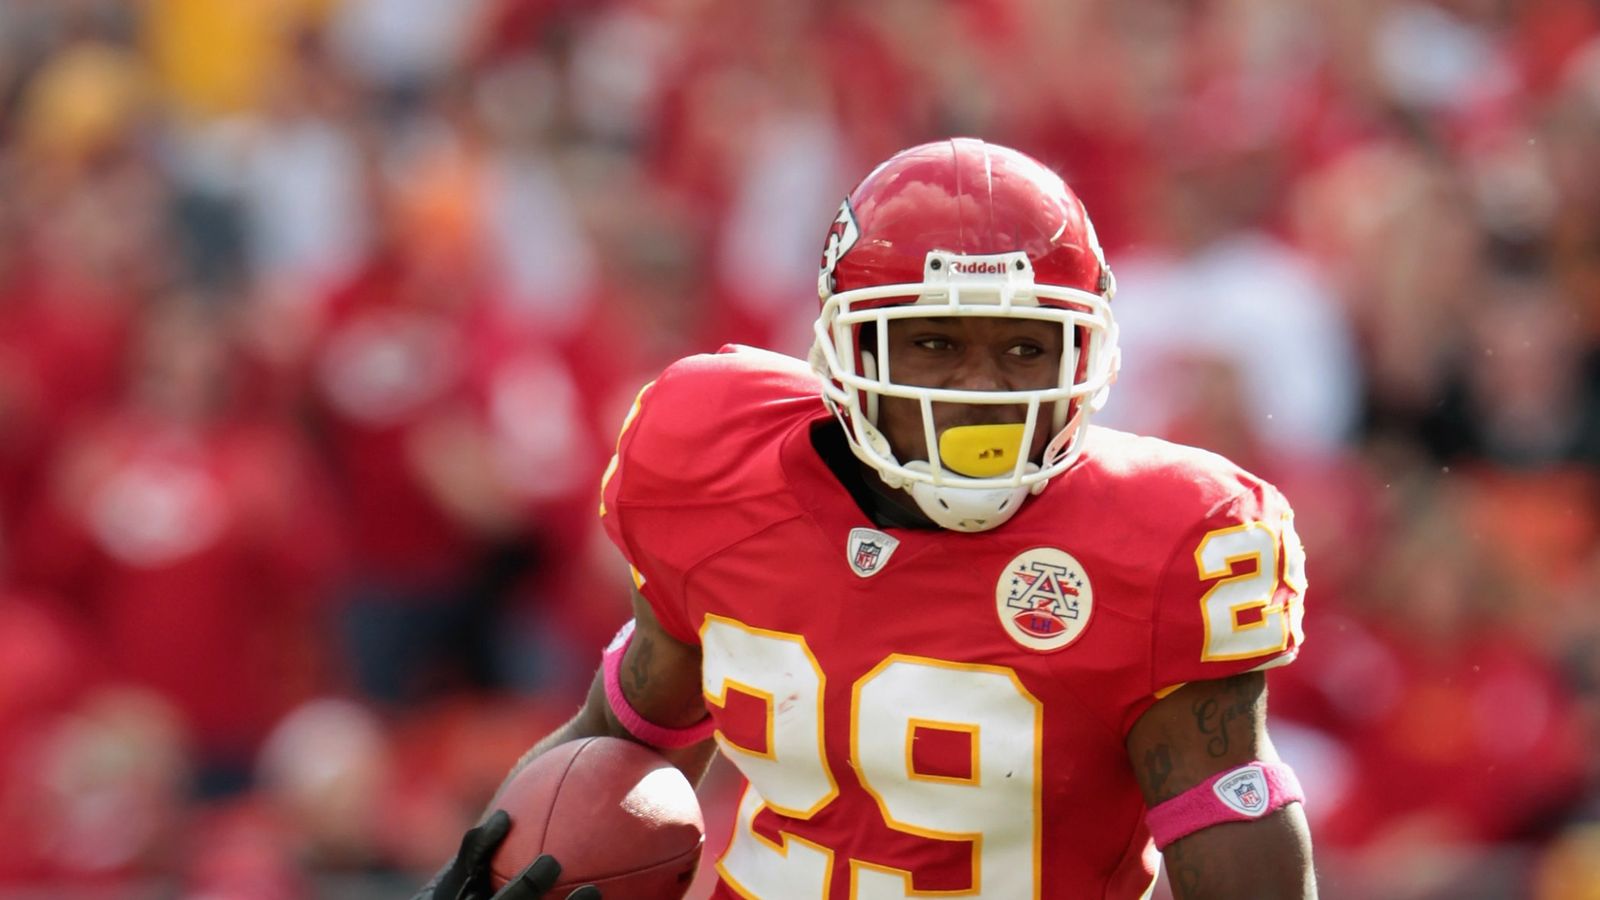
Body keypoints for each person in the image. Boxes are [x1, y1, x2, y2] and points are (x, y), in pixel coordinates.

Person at [419, 138, 1317, 899]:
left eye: (1024, 347)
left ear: (1083, 350)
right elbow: (622, 741)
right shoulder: (718, 461)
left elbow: (1233, 843)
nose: (983, 391)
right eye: (932, 343)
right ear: (849, 348)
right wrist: (519, 850)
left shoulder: (1169, 539)